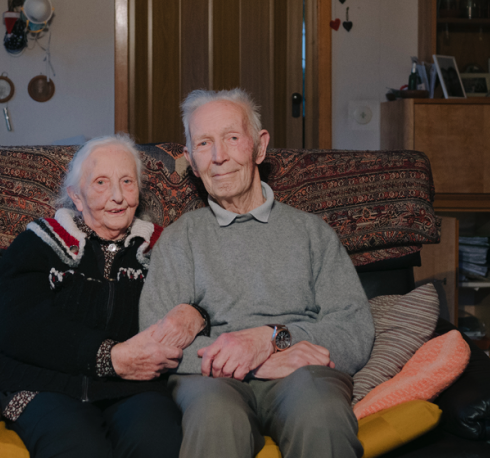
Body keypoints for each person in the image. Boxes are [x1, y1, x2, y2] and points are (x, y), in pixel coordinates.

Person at [138, 89, 374, 458]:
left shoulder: (312, 233)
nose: (219, 157)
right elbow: (153, 340)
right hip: (212, 380)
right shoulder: (180, 238)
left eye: (232, 138)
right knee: (215, 418)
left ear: (259, 147)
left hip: (300, 372)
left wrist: (273, 339)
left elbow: (354, 329)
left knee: (321, 415)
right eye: (204, 144)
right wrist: (244, 359)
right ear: (191, 162)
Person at [0, 134, 186, 458]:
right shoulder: (38, 244)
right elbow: (20, 326)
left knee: (156, 441)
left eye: (127, 181)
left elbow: (200, 299)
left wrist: (194, 312)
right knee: (78, 448)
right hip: (44, 383)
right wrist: (108, 356)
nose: (117, 196)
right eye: (101, 182)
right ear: (77, 197)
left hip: (134, 386)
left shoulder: (162, 249)